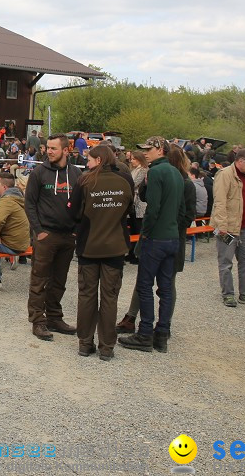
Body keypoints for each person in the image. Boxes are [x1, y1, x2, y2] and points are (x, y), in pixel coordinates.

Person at [118, 137, 182, 353]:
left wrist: (145, 235)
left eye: (149, 149)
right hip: (173, 237)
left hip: (156, 238)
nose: (145, 152)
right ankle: (162, 333)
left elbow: (151, 208)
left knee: (144, 285)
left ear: (161, 150)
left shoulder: (156, 172)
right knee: (165, 288)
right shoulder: (176, 172)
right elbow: (180, 209)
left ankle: (145, 333)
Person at [72, 146, 134, 361]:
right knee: (109, 298)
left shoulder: (85, 181)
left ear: (98, 160)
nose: (86, 164)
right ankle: (107, 347)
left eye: (89, 160)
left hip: (89, 246)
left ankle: (85, 343)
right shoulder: (125, 180)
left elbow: (75, 213)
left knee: (87, 295)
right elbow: (128, 210)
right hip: (115, 247)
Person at [25, 134, 81, 341]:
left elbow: (81, 203)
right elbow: (29, 204)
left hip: (68, 236)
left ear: (66, 150)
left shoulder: (76, 174)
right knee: (39, 280)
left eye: (53, 148)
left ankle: (54, 317)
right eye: (47, 148)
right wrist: (38, 230)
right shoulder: (39, 173)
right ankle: (38, 321)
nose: (48, 151)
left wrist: (76, 229)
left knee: (59, 280)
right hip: (46, 235)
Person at [211, 148, 245, 308]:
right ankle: (228, 294)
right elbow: (220, 201)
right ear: (240, 161)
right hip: (228, 227)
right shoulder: (224, 175)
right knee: (226, 262)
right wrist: (221, 226)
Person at [0, 170, 32, 286]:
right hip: (20, 242)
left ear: (4, 187)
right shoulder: (17, 198)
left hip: (13, 245)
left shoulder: (6, 201)